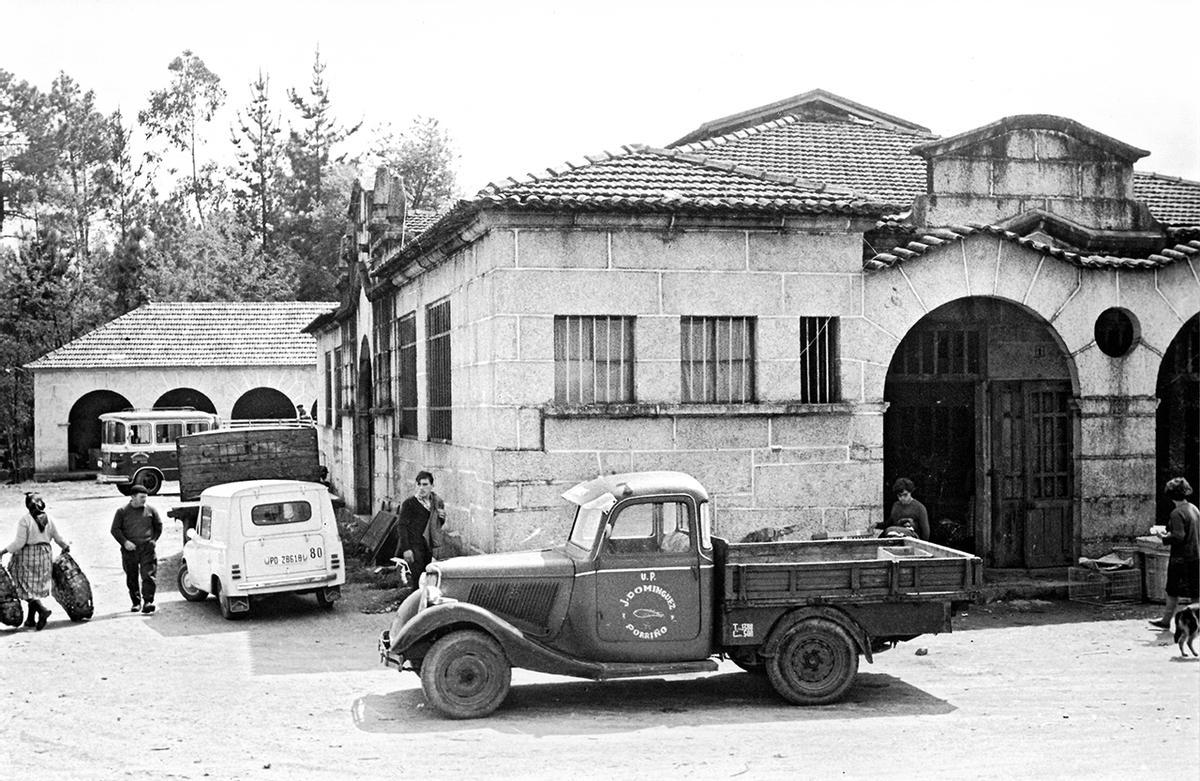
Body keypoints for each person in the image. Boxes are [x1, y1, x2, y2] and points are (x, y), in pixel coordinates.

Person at [0, 492, 71, 630]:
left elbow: (19, 543)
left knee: (21, 585)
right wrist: (65, 546)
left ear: (27, 506)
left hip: (28, 556)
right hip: (44, 556)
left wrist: (3, 551)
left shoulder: (25, 520)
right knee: (33, 587)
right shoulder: (49, 519)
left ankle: (42, 610)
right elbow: (57, 537)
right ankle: (31, 619)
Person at [1150, 477, 1199, 630]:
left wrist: (1163, 537)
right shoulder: (1194, 508)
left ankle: (1166, 620)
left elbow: (1178, 536)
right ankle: (1196, 621)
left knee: (1172, 590)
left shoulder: (1176, 513)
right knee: (1195, 591)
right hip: (1196, 555)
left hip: (1180, 558)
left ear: (1170, 495)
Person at [111, 483, 163, 614]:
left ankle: (148, 602)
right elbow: (115, 530)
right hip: (130, 550)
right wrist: (125, 542)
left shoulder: (151, 510)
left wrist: (153, 540)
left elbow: (158, 526)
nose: (144, 500)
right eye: (141, 497)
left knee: (149, 575)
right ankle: (136, 602)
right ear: (133, 497)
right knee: (132, 576)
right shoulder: (122, 512)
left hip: (147, 548)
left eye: (145, 497)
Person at [395, 471, 446, 584]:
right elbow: (401, 526)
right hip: (414, 546)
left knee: (428, 578)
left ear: (432, 486)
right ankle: (415, 600)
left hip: (429, 547)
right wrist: (406, 549)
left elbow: (436, 526)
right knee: (418, 579)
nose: (421, 488)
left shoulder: (437, 503)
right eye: (419, 484)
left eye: (425, 484)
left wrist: (441, 518)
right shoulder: (409, 503)